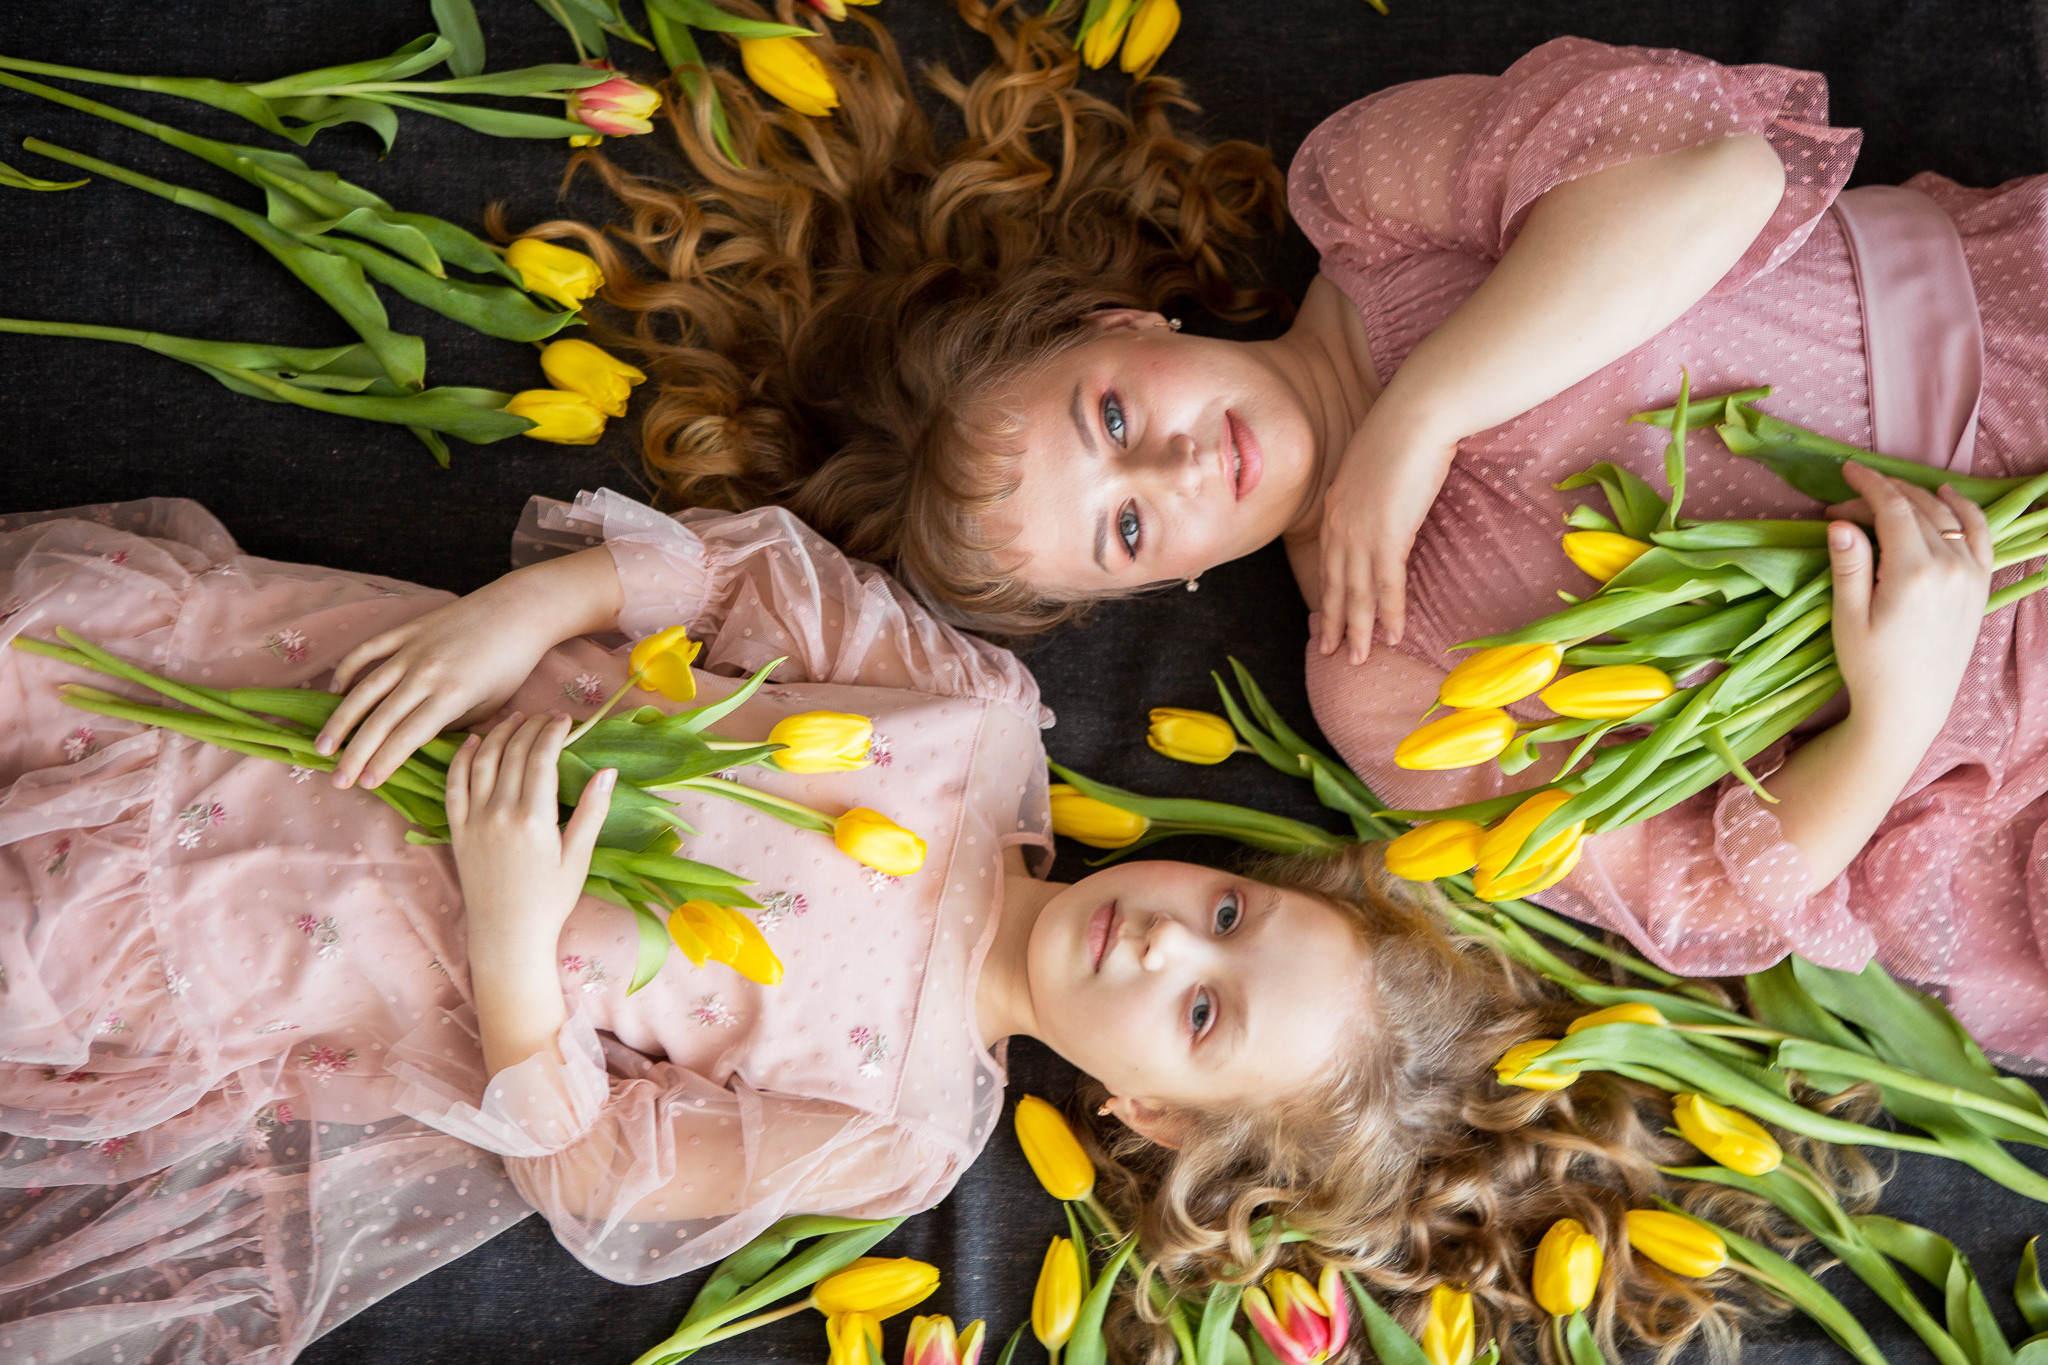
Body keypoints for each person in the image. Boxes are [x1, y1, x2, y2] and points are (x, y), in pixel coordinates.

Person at [0, 492, 1837, 1363]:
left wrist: (508, 943)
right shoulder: (971, 727)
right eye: (1226, 911)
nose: (1166, 945)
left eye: (1202, 1014)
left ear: (1150, 1118)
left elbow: (602, 1174)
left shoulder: (895, 1133)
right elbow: (728, 573)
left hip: (256, 944)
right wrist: (524, 611)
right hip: (302, 684)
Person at [557, 1, 2048, 1071]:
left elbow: (1712, 171)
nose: (1180, 466)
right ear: (1168, 581)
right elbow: (1705, 895)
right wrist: (1894, 712)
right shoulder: (1377, 672)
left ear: (1126, 322)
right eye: (1130, 523)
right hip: (1987, 736)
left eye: (1112, 413)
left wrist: (1425, 411)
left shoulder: (1371, 202)